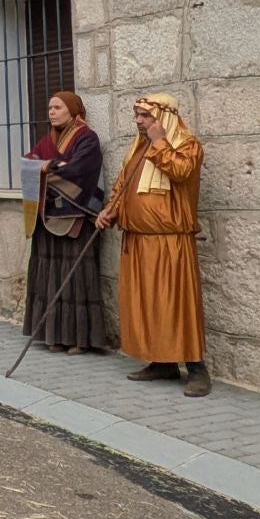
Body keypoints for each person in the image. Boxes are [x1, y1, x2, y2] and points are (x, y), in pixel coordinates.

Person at [96, 94, 209, 396]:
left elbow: (182, 172)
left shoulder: (187, 145)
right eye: (137, 115)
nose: (138, 121)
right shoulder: (138, 149)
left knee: (177, 304)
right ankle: (162, 363)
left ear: (163, 117)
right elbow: (123, 184)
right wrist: (111, 210)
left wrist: (160, 143)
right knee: (146, 304)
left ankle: (197, 369)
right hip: (137, 239)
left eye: (145, 115)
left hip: (170, 241)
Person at [23, 92, 107, 354]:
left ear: (72, 110)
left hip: (76, 219)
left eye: (57, 107)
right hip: (47, 217)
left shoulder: (87, 139)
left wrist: (46, 168)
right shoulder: (48, 141)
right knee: (50, 277)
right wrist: (47, 165)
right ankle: (53, 335)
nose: (51, 112)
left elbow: (79, 170)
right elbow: (28, 163)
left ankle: (79, 339)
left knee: (76, 280)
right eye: (49, 107)